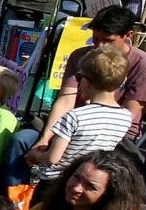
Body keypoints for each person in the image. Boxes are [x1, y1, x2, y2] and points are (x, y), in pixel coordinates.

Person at [15, 6, 146, 169]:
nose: (100, 45)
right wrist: (44, 139)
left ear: (128, 36)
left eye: (108, 40)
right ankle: (15, 192)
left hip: (114, 136)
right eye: (96, 38)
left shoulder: (142, 64)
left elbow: (129, 115)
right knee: (22, 140)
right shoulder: (80, 55)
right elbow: (65, 101)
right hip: (72, 124)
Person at [22, 42, 131, 182]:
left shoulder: (74, 117)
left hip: (57, 182)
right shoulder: (125, 117)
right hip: (88, 180)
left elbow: (52, 158)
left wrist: (34, 155)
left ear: (85, 82)